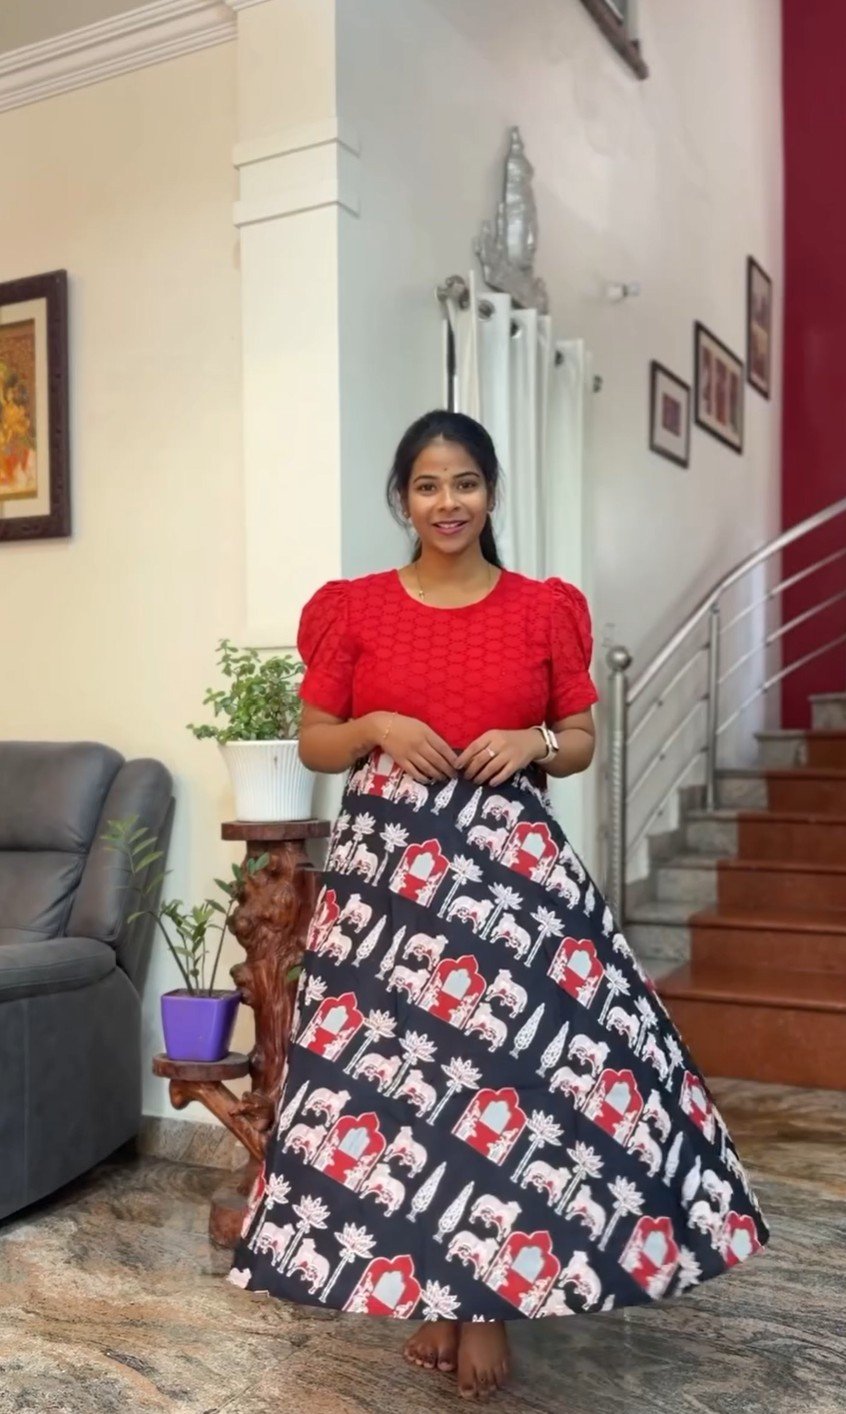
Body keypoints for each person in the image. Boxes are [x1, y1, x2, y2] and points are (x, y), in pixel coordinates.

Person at [229, 410, 768, 1400]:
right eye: (429, 485)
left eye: (466, 483)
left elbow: (580, 739)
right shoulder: (353, 608)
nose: (448, 502)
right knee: (400, 1090)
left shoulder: (540, 608)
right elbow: (313, 739)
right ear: (403, 498)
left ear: (491, 494)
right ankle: (435, 1291)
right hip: (388, 882)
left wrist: (532, 744)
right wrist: (375, 724)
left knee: (501, 1084)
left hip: (507, 875)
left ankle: (485, 1303)